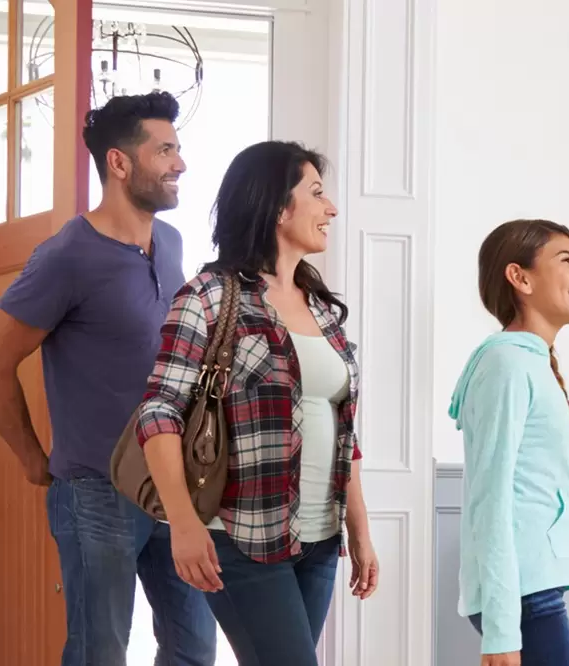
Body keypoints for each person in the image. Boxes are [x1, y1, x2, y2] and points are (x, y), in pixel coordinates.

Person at [0, 91, 215, 666]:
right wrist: (32, 458)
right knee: (98, 653)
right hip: (96, 492)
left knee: (195, 648)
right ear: (119, 162)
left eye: (178, 149)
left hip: (174, 486)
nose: (180, 163)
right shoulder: (66, 257)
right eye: (165, 150)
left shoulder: (170, 243)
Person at [133, 140, 380, 665]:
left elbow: (344, 430)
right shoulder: (208, 295)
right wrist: (183, 523)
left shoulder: (321, 307)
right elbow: (159, 412)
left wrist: (359, 531)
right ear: (277, 207)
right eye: (317, 193)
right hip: (242, 537)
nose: (332, 208)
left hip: (319, 538)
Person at [449, 219, 569, 666]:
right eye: (566, 260)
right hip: (523, 595)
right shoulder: (507, 364)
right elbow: (490, 500)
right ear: (520, 278)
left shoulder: (529, 362)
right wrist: (501, 632)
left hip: (534, 588)